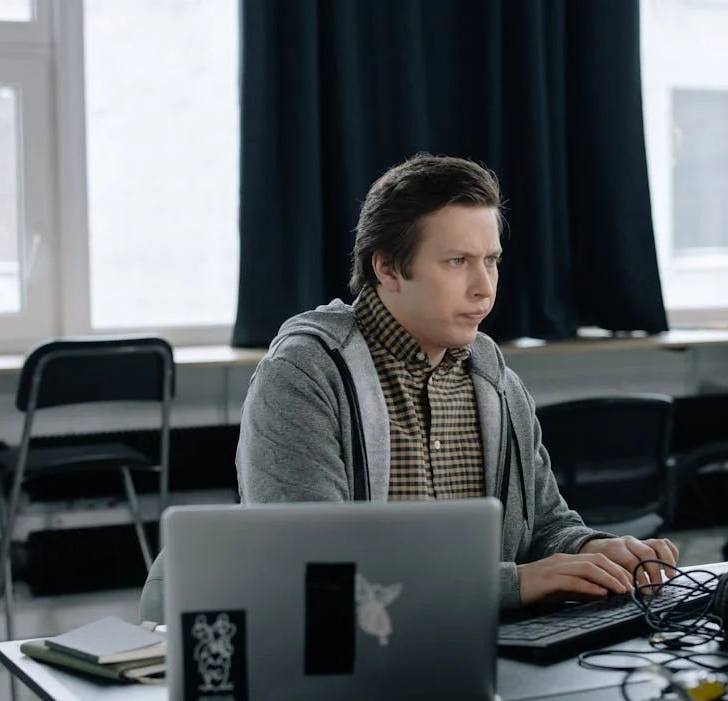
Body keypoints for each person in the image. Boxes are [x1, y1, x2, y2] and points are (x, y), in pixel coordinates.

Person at [139, 154, 677, 622]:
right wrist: (515, 584)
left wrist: (598, 553)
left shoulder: (497, 383)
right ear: (388, 268)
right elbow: (314, 569)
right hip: (350, 659)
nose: (484, 286)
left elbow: (545, 527)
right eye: (456, 262)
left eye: (491, 260)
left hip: (484, 651)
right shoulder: (304, 377)